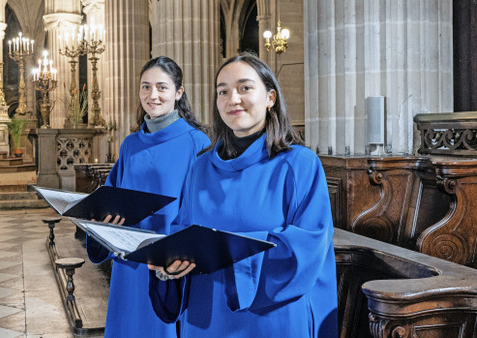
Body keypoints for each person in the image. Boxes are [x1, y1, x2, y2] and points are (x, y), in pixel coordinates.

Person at [148, 52, 338, 337]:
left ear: (270, 97)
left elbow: (307, 246)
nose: (232, 98)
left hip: (270, 318)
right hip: (206, 318)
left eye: (245, 88)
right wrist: (166, 265)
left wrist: (226, 252)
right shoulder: (200, 168)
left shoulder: (299, 164)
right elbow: (182, 234)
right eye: (222, 91)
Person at [86, 56, 210, 337]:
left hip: (168, 265)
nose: (152, 95)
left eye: (162, 87)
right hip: (128, 262)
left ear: (179, 93)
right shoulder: (130, 144)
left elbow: (203, 208)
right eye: (145, 87)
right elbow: (109, 196)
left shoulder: (197, 142)